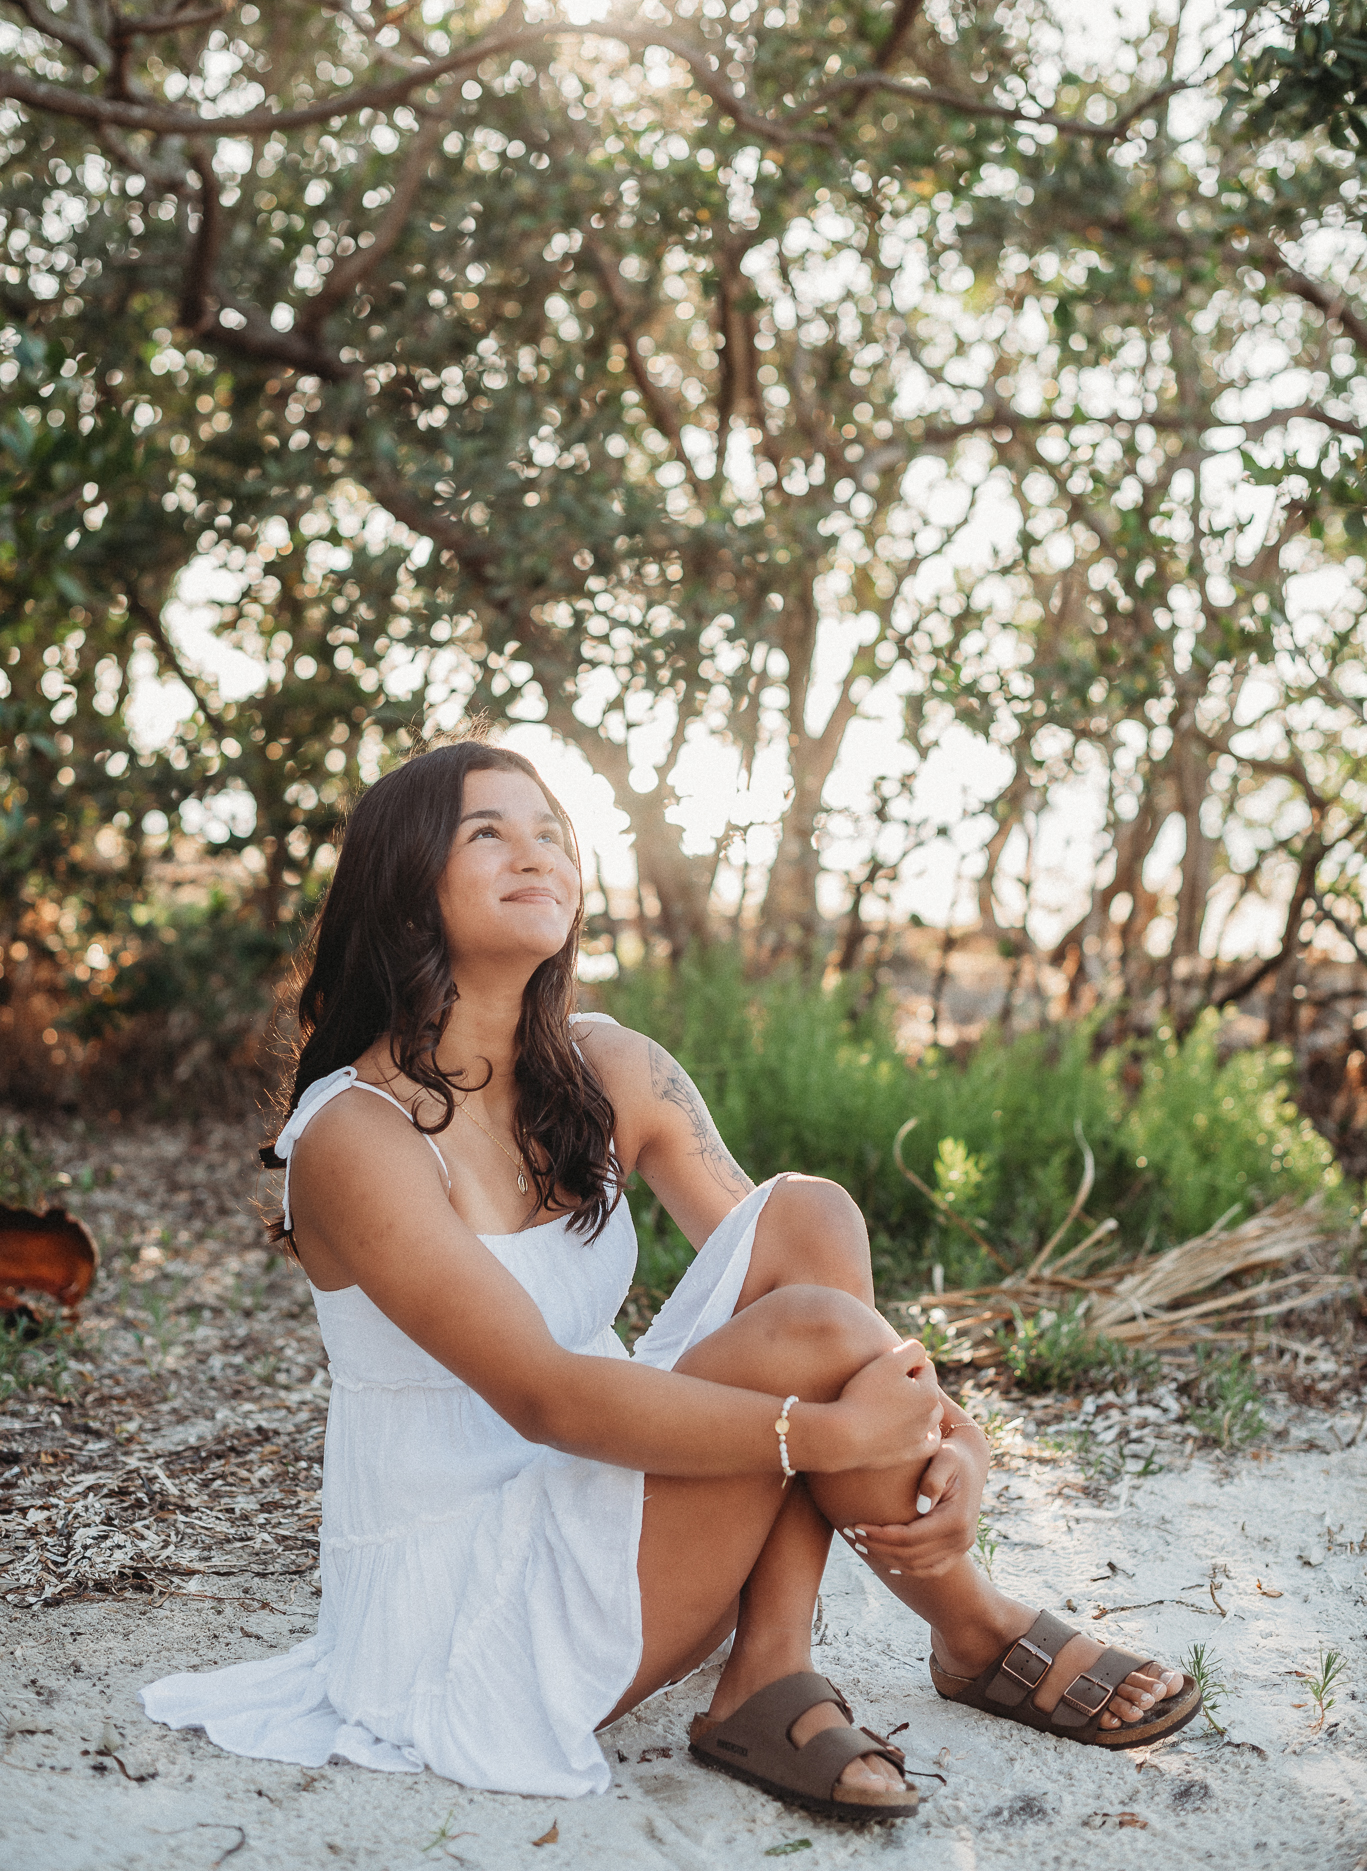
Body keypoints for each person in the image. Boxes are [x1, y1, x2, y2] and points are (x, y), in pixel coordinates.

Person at [141, 740, 1198, 1818]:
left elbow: (807, 1287)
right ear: (405, 884)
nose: (536, 854)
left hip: (622, 1522)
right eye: (488, 832)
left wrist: (950, 1433)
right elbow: (546, 1397)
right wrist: (836, 1434)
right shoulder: (357, 1136)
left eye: (551, 831)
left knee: (809, 1214)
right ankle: (971, 1625)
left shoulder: (608, 1066)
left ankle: (771, 1665)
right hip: (464, 1607)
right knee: (808, 1343)